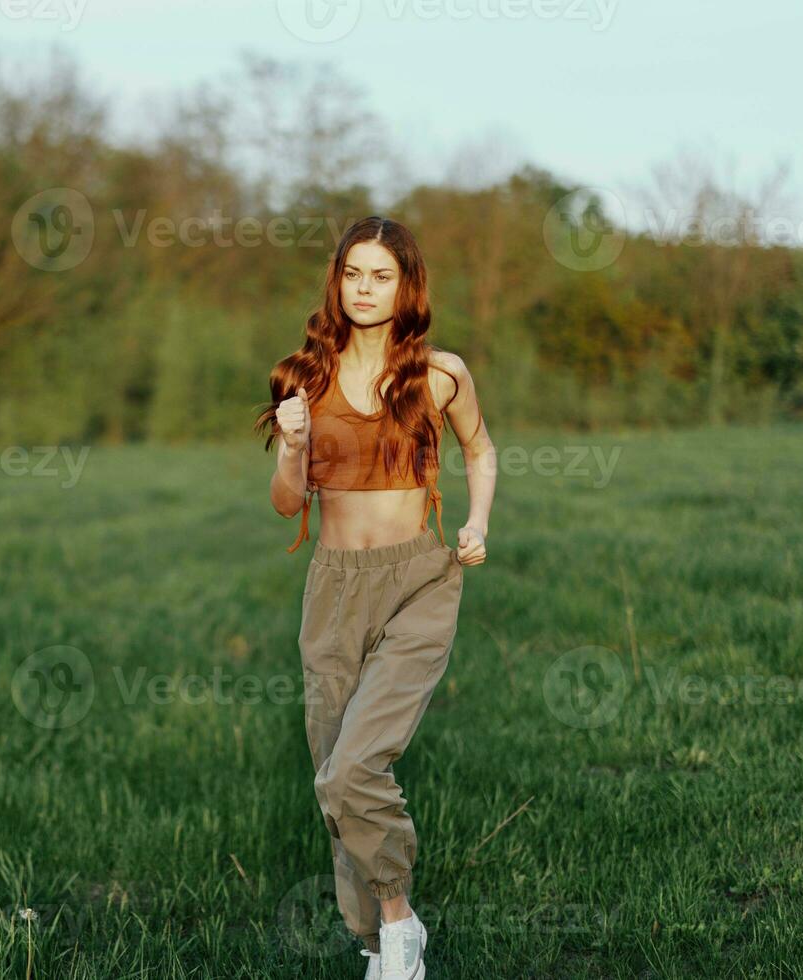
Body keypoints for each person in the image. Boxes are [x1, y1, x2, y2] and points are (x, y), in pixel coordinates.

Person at [255, 216, 497, 980]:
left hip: (417, 582)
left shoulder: (439, 373)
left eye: (380, 276)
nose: (364, 290)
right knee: (333, 776)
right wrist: (292, 446)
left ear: (406, 285)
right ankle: (376, 949)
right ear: (337, 281)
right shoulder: (302, 378)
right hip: (332, 588)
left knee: (353, 768)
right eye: (352, 274)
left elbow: (479, 448)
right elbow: (287, 506)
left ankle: (397, 925)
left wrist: (476, 520)